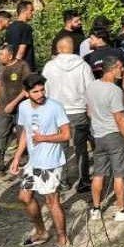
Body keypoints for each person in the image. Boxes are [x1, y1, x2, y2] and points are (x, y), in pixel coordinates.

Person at [8, 73, 71, 247]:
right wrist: (17, 157)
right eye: (35, 91)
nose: (40, 94)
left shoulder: (55, 107)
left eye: (42, 90)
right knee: (24, 197)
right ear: (26, 93)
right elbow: (25, 135)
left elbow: (66, 135)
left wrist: (44, 138)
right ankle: (42, 232)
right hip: (33, 163)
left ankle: (63, 240)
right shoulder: (23, 107)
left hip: (51, 163)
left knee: (52, 201)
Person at [85, 53, 124, 222]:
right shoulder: (115, 91)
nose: (123, 71)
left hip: (98, 135)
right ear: (114, 67)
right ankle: (121, 210)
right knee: (119, 174)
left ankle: (95, 208)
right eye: (121, 68)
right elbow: (120, 119)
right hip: (114, 136)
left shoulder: (92, 86)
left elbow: (88, 111)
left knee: (98, 173)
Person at [42, 36, 93, 192]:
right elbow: (90, 89)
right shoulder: (83, 66)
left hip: (57, 112)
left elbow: (45, 90)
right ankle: (83, 180)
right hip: (78, 110)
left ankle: (62, 181)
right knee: (81, 148)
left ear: (58, 49)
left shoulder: (49, 67)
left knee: (59, 148)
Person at [0, 45, 30, 171]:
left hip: (21, 107)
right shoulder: (0, 66)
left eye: (1, 54)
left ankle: (23, 157)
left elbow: (27, 87)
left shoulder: (22, 66)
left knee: (21, 132)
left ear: (10, 56)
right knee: (0, 133)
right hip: (3, 106)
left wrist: (14, 103)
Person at [6, 0, 38, 70]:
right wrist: (16, 66)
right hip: (24, 67)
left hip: (11, 64)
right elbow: (22, 49)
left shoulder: (10, 27)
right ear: (24, 11)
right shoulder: (26, 27)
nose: (33, 13)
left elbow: (7, 47)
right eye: (31, 10)